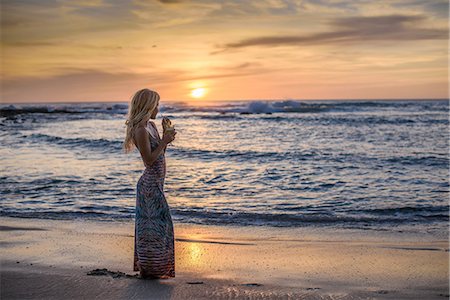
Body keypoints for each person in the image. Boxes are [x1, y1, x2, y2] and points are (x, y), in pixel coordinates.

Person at [123, 88, 176, 279]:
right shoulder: (140, 130)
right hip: (149, 186)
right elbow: (149, 160)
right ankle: (149, 269)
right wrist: (164, 141)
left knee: (160, 227)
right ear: (148, 106)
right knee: (150, 229)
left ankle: (157, 268)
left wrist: (165, 139)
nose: (158, 108)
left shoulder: (151, 126)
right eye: (156, 104)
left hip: (156, 185)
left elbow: (160, 155)